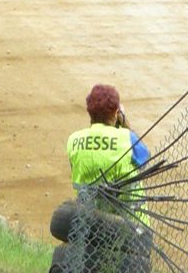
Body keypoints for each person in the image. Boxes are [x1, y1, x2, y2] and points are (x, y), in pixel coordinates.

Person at [53, 84, 151, 273]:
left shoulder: (74, 140)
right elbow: (144, 159)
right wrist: (124, 123)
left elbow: (76, 168)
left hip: (89, 224)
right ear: (116, 112)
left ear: (89, 111)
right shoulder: (127, 138)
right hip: (132, 228)